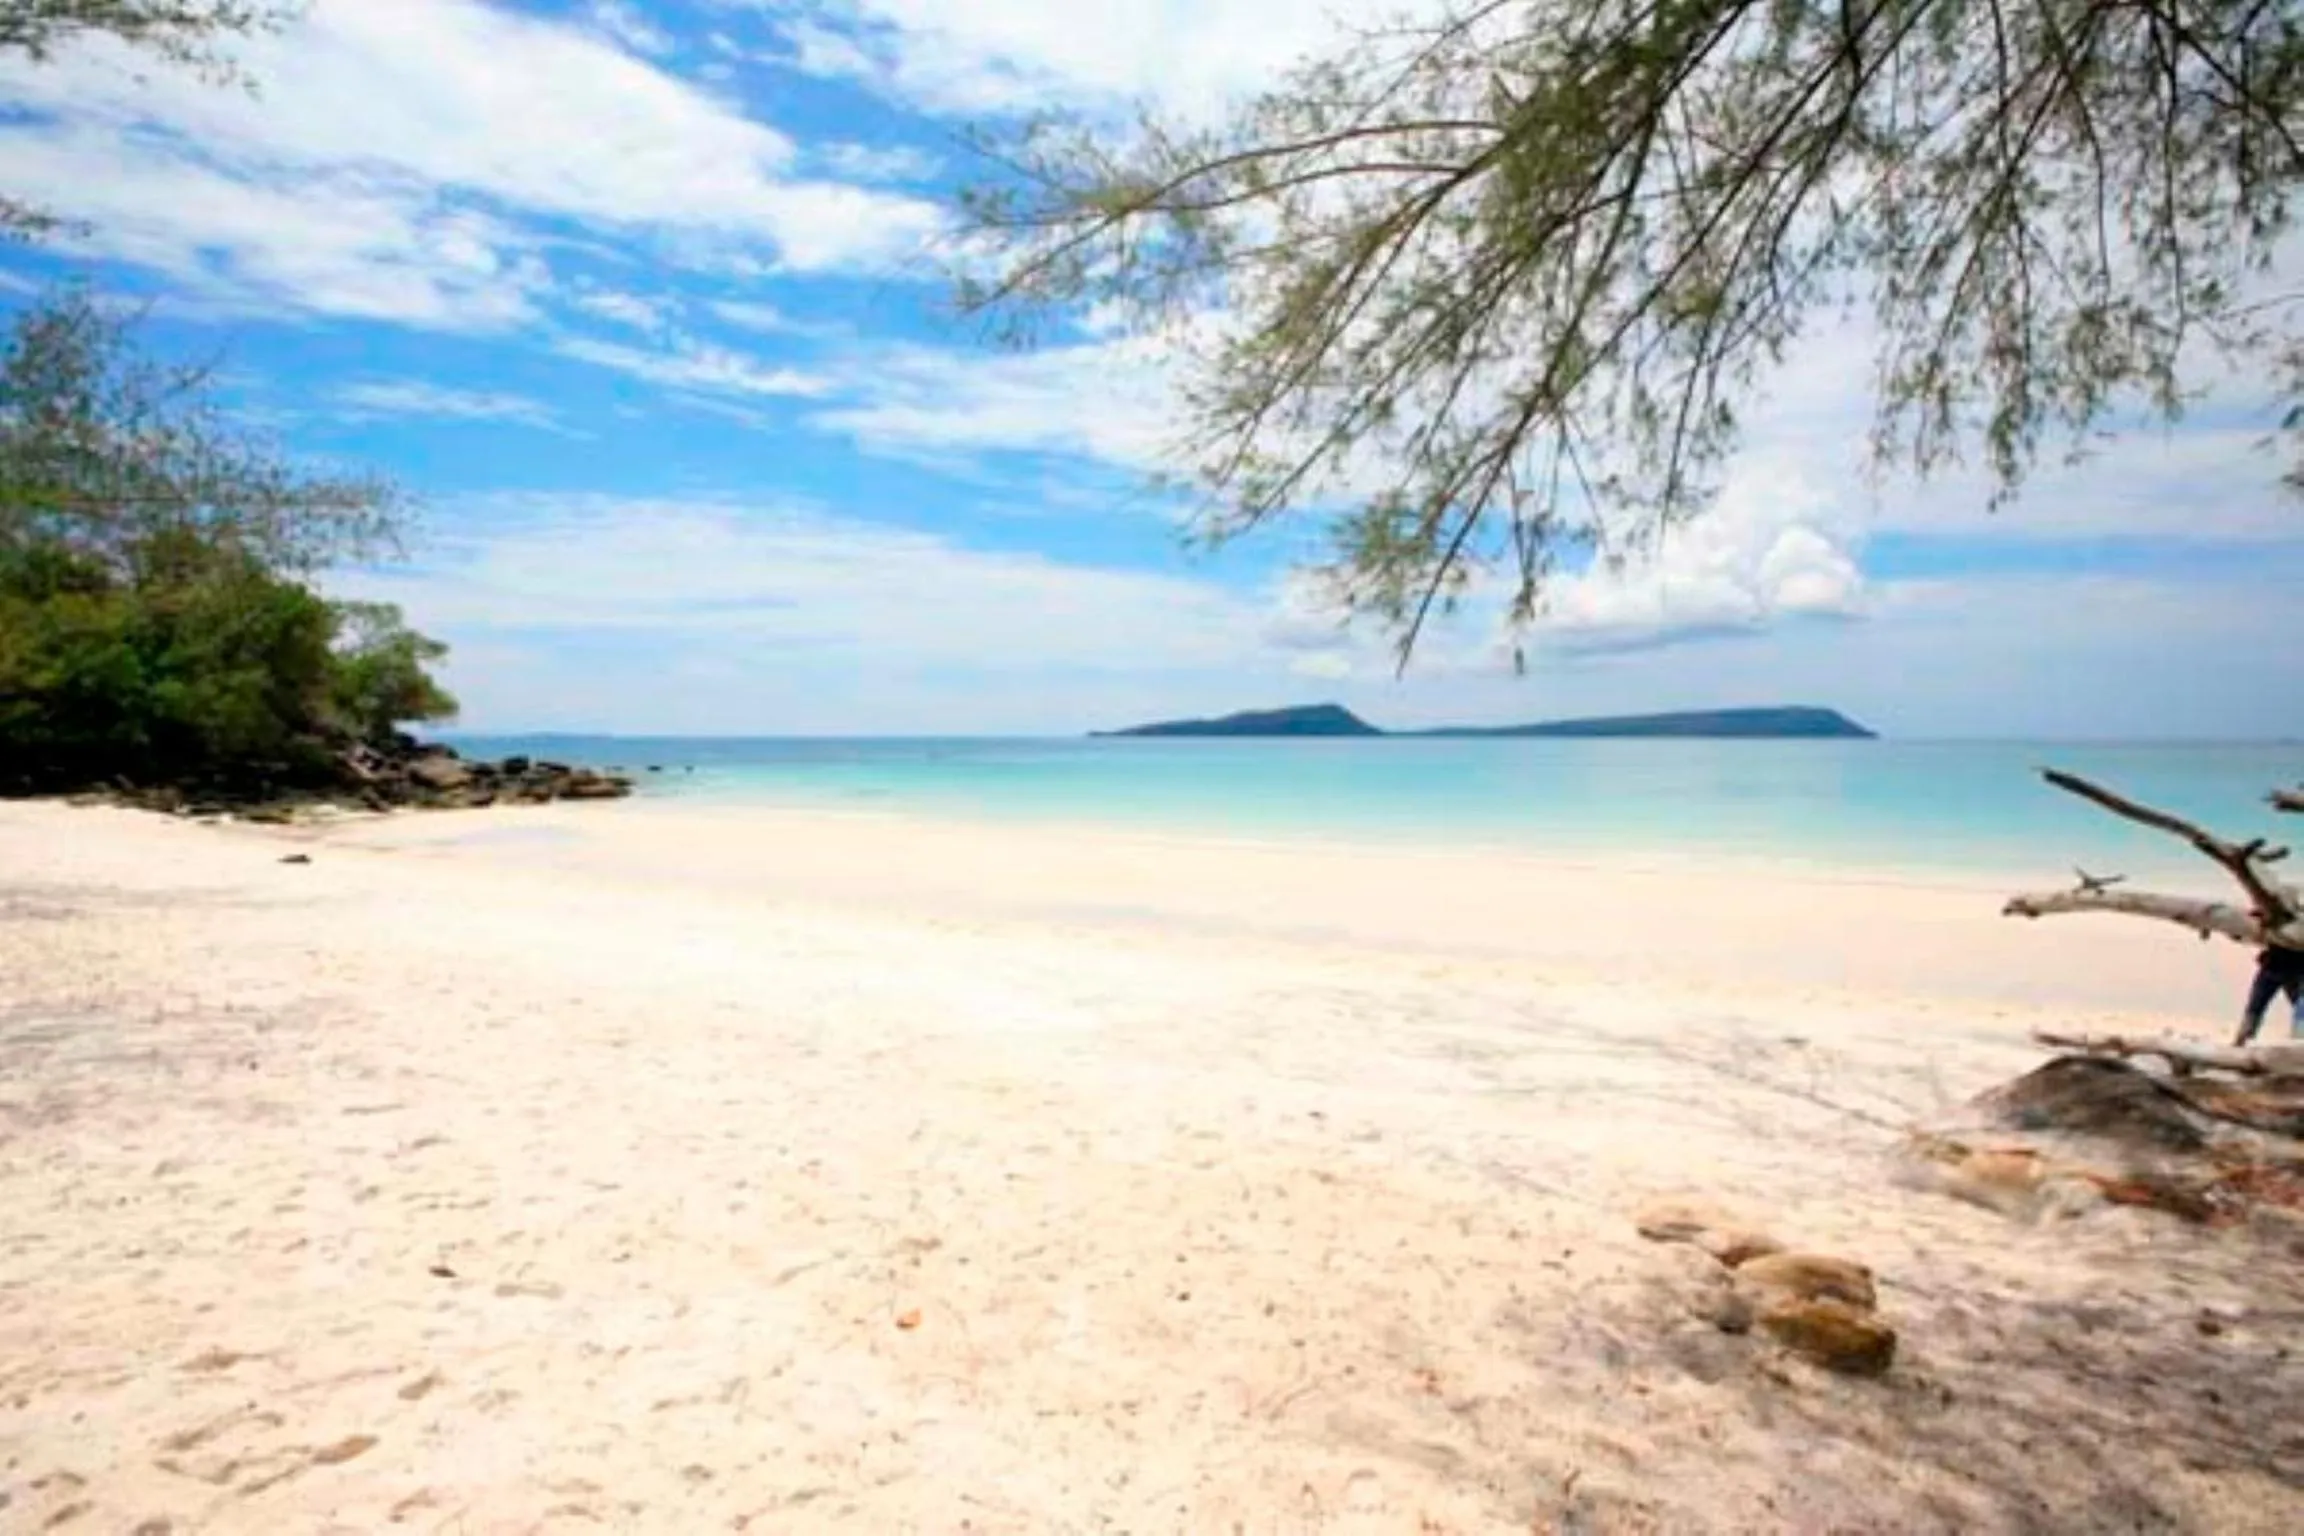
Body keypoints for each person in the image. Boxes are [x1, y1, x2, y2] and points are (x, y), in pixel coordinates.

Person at [2236, 944, 2304, 1046]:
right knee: (2254, 1010)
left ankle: (2242, 1042)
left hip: (2288, 969)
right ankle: (2242, 1042)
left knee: (2254, 1010)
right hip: (2275, 966)